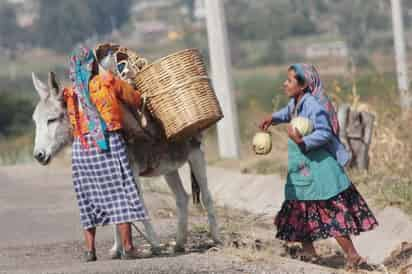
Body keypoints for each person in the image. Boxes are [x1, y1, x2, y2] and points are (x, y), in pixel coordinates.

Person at [260, 63, 378, 270]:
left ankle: (352, 255)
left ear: (303, 85)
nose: (284, 84)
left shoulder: (313, 105)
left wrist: (302, 141)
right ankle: (308, 251)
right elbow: (287, 112)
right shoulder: (297, 102)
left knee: (330, 211)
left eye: (289, 81)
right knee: (301, 207)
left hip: (320, 169)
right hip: (304, 168)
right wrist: (273, 118)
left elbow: (324, 133)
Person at [65, 46, 148, 262]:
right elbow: (134, 99)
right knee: (121, 194)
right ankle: (128, 247)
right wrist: (138, 92)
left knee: (87, 198)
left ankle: (90, 251)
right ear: (92, 64)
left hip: (81, 150)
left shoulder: (72, 92)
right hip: (108, 143)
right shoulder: (106, 80)